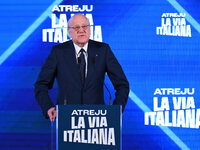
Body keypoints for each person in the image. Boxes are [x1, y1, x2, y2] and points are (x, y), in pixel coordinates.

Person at [34, 14, 129, 122]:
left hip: (97, 122)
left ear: (90, 29)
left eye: (85, 26)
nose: (81, 30)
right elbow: (41, 84)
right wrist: (48, 107)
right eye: (76, 27)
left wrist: (117, 109)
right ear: (69, 32)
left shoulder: (103, 50)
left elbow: (122, 84)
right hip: (67, 120)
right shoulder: (58, 52)